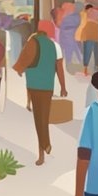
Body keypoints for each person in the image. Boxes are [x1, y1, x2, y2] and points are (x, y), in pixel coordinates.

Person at [13, 20, 68, 166]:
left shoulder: (33, 41)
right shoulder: (54, 46)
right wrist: (63, 87)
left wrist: (20, 69)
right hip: (48, 86)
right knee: (44, 116)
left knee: (38, 119)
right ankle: (45, 146)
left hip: (34, 84)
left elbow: (24, 58)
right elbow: (59, 68)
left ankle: (43, 150)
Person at [78, 5, 98, 76]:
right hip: (96, 34)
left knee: (87, 51)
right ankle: (96, 70)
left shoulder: (85, 13)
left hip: (88, 34)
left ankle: (85, 70)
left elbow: (82, 23)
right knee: (96, 52)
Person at [58, 2, 83, 71]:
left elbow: (62, 30)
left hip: (66, 39)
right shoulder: (79, 17)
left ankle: (70, 67)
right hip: (74, 39)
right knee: (77, 54)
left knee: (69, 55)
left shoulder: (66, 18)